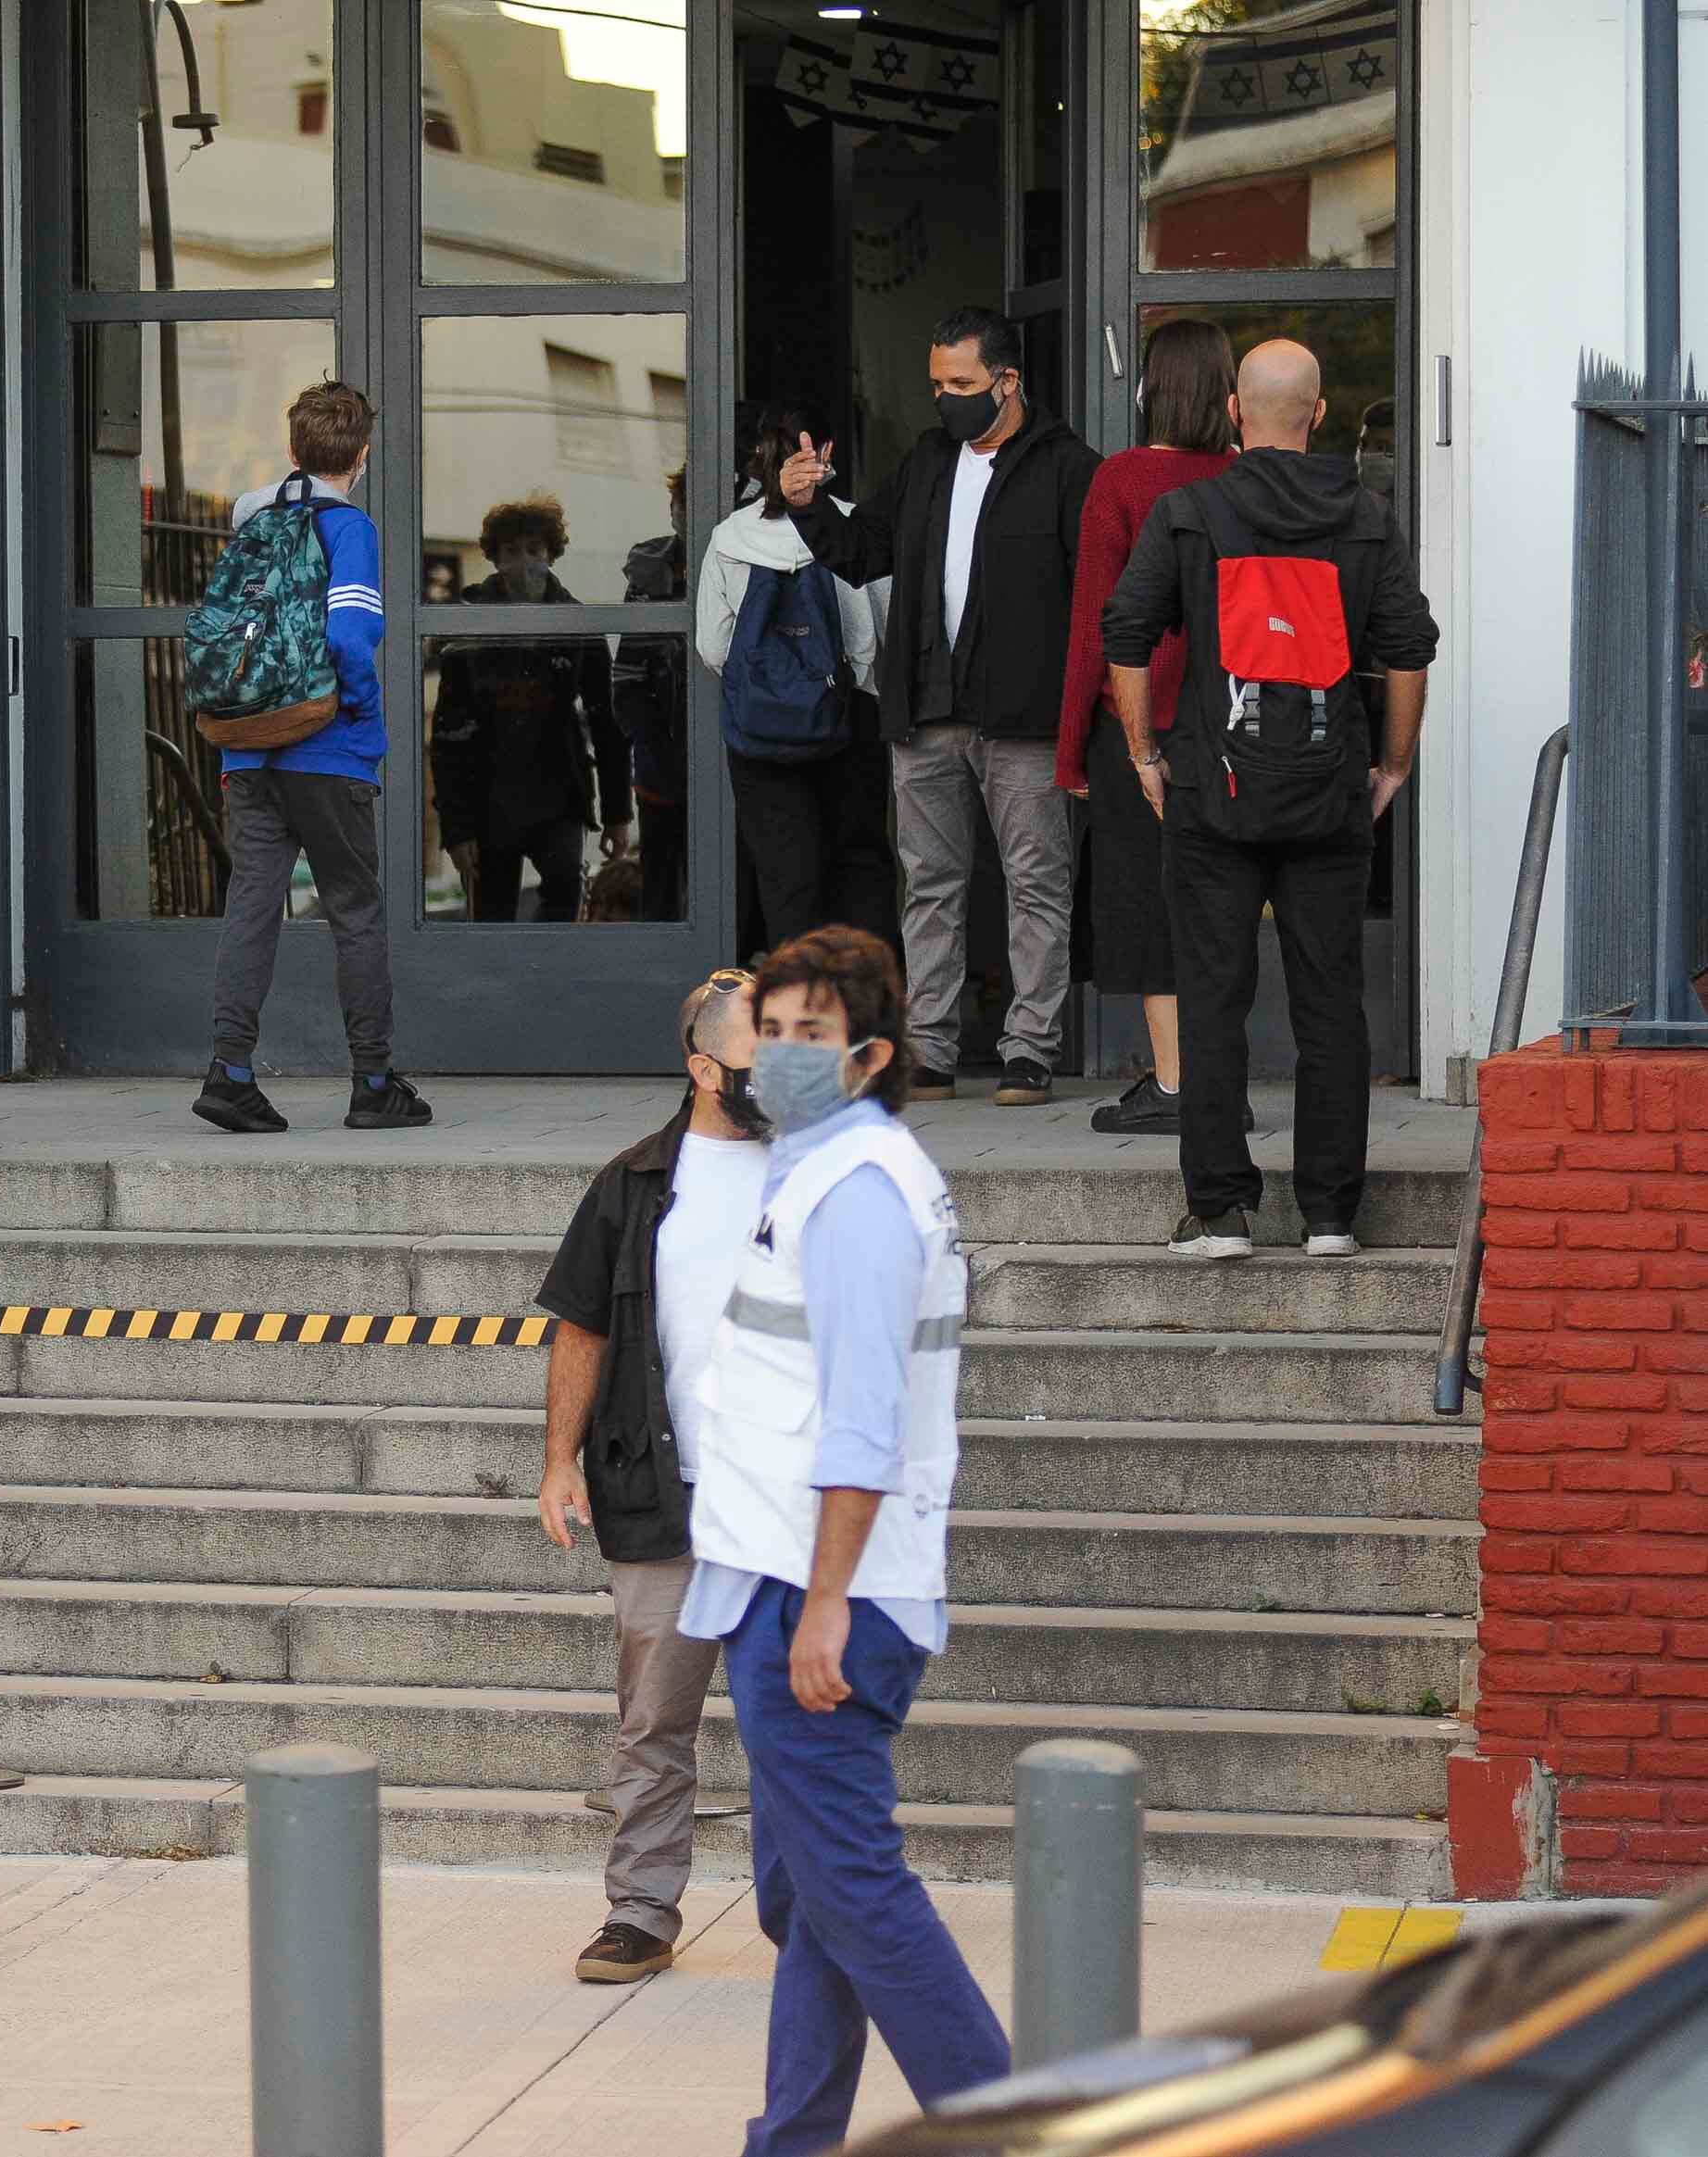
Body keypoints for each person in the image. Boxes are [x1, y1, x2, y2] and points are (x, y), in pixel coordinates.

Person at [678, 924, 1010, 2155]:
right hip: (783, 1579)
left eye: (811, 1035)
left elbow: (866, 1422)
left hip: (826, 1597)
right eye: (769, 1029)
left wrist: (824, 1603)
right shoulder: (817, 1168)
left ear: (867, 1057)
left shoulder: (860, 1195)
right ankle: (794, 2139)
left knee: (855, 1894)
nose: (780, 1053)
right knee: (815, 1898)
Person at [1101, 339, 1440, 1260]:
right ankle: (1330, 1215)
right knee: (1329, 1003)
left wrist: (1142, 754)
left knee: (1212, 996)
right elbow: (1408, 645)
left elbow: (1122, 630)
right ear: (1320, 412)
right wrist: (1394, 767)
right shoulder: (1366, 517)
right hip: (1330, 797)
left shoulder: (1185, 512)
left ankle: (1219, 1211)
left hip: (1212, 795)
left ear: (1232, 410)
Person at [782, 306, 1100, 1106]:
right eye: (936, 385)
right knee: (928, 884)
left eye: (961, 384)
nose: (946, 399)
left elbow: (1096, 601)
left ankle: (1030, 1049)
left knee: (1037, 884)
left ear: (1008, 380)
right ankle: (930, 1049)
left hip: (1025, 716)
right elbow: (863, 554)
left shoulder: (1068, 469)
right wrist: (808, 506)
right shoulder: (927, 460)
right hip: (924, 710)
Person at [535, 970, 771, 1984]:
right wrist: (556, 1461)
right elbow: (579, 1324)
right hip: (660, 1493)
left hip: (786, 1507)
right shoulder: (633, 1184)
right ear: (703, 1067)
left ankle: (819, 1914)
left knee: (799, 1727)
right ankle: (638, 1910)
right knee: (651, 1723)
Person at [194, 381, 433, 1135]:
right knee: (355, 910)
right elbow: (349, 636)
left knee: (252, 906)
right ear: (360, 458)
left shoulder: (252, 519)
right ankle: (372, 1081)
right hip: (325, 749)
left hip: (249, 746)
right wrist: (360, 713)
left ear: (293, 451)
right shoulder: (349, 528)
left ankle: (229, 1071)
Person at [1056, 319, 1238, 1136]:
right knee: (1217, 905)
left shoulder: (1122, 480)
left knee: (1148, 906)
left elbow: (1095, 628)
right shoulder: (1245, 480)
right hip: (1232, 727)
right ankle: (1218, 1082)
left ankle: (1172, 1082)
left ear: (1155, 389)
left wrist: (1071, 750)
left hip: (1135, 728)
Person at [701, 405, 900, 955]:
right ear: (826, 455)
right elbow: (884, 634)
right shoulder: (856, 529)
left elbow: (713, 647)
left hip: (761, 727)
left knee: (786, 876)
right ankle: (866, 1014)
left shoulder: (728, 538)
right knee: (860, 864)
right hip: (849, 718)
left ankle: (796, 1017)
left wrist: (774, 685)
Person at [430, 496, 634, 922]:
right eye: (512, 552)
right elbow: (449, 736)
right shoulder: (469, 624)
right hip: (487, 800)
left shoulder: (576, 624)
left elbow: (606, 722)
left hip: (558, 797)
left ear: (552, 554)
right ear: (495, 558)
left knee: (563, 904)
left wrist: (617, 814)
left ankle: (548, 987)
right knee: (490, 922)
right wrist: (457, 829)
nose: (525, 562)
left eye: (535, 550)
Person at [618, 465, 692, 921]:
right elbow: (626, 676)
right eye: (685, 503)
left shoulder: (746, 559)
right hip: (660, 765)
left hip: (735, 760)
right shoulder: (647, 575)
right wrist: (651, 744)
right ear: (673, 509)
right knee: (662, 887)